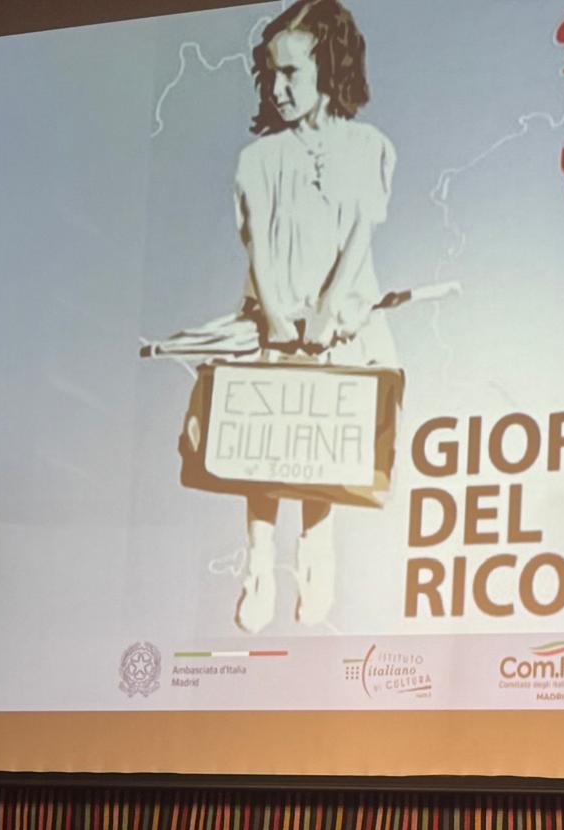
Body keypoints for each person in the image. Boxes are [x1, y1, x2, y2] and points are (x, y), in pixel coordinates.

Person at [231, 0, 397, 631]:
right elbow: (259, 245)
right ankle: (257, 564)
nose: (279, 88)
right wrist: (277, 316)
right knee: (263, 445)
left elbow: (359, 237)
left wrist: (327, 314)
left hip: (337, 326)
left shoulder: (370, 148)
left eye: (292, 73)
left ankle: (315, 559)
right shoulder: (258, 159)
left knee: (319, 444)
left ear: (329, 69)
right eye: (271, 75)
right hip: (275, 323)